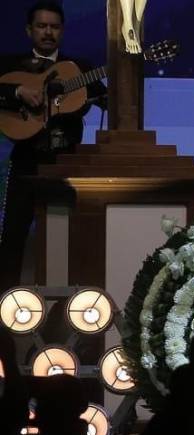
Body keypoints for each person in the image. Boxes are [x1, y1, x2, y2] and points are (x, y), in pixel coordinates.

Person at [0, 1, 107, 292]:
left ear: (62, 31)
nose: (48, 32)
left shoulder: (79, 67)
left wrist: (93, 96)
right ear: (29, 30)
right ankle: (6, 318)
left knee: (69, 238)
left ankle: (71, 312)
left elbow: (106, 98)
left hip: (67, 163)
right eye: (42, 26)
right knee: (12, 238)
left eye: (54, 27)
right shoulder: (10, 65)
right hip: (25, 162)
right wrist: (17, 91)